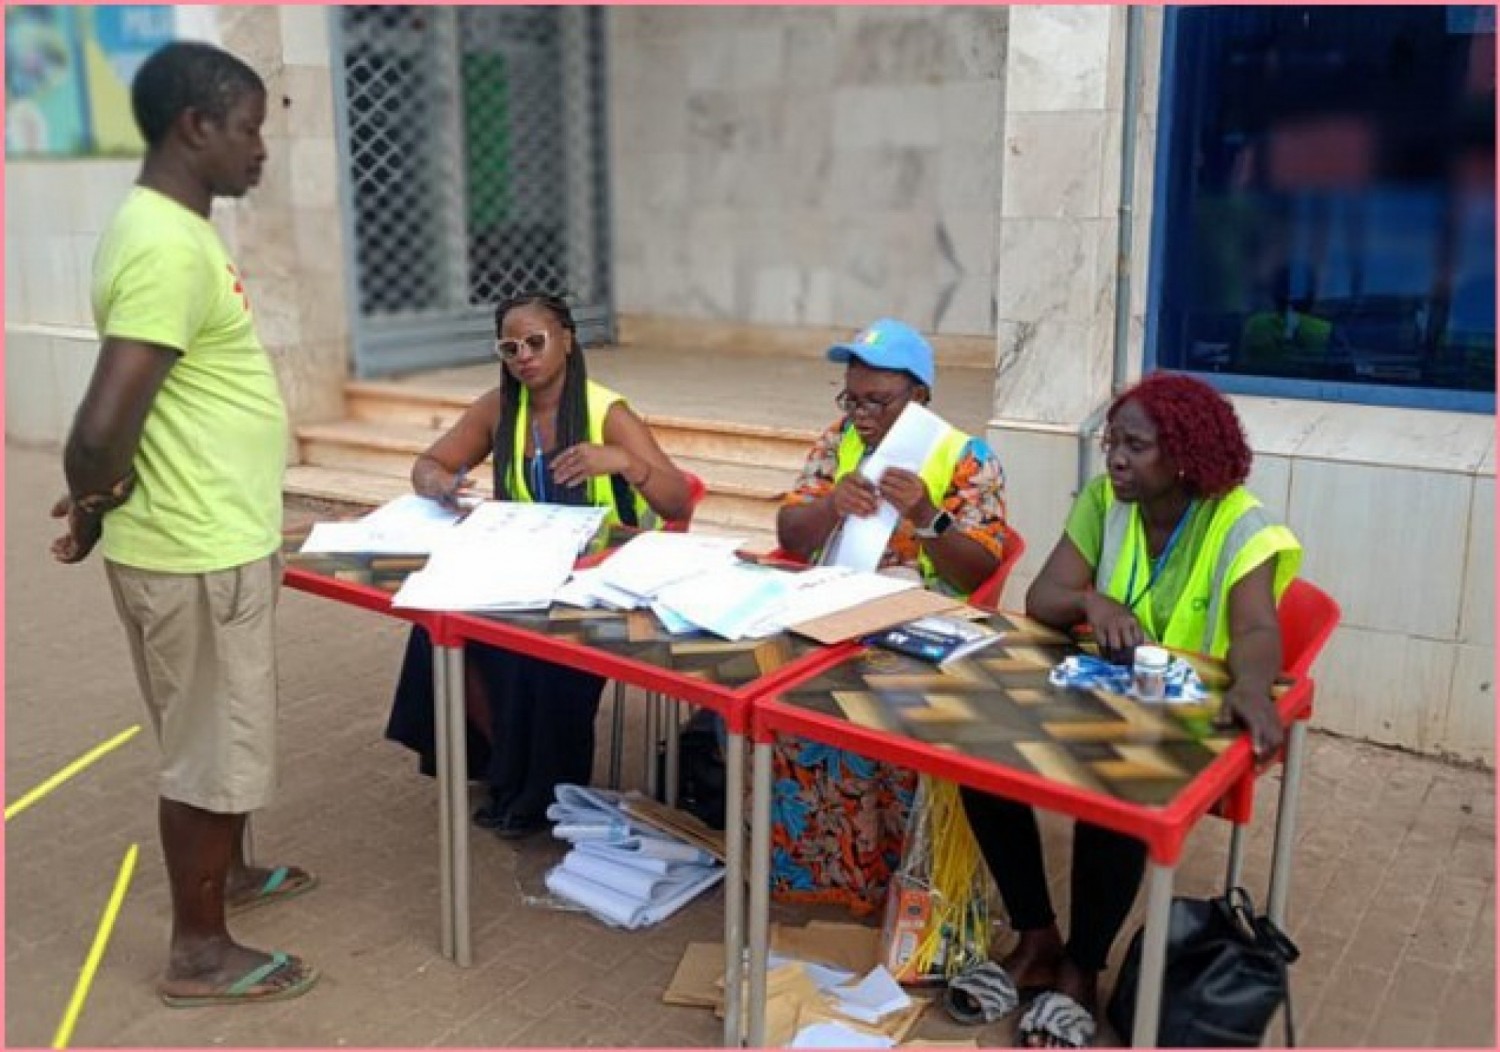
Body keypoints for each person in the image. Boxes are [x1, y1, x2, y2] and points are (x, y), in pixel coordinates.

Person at [51, 42, 318, 1006]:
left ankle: (233, 872)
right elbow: (98, 430)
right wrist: (89, 510)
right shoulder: (165, 244)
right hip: (196, 548)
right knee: (209, 748)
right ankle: (199, 950)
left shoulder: (172, 229)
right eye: (250, 128)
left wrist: (101, 499)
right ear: (195, 127)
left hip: (209, 538)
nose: (261, 150)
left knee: (217, 732)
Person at [959, 372, 1301, 1048]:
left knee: (1108, 797)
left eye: (1134, 446)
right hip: (1105, 696)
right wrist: (1093, 603)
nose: (1115, 458)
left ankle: (1082, 969)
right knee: (980, 759)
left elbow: (1260, 631)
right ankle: (1037, 936)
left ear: (1182, 454)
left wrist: (1252, 687)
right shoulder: (1104, 499)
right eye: (1112, 442)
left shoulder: (1240, 522)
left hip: (1188, 719)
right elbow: (1045, 598)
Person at [385, 292, 692, 838]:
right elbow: (428, 463)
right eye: (510, 347)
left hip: (599, 577)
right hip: (526, 564)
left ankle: (535, 788)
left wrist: (624, 461)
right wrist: (441, 484)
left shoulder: (606, 412)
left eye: (535, 342)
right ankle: (502, 762)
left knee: (543, 654)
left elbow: (676, 501)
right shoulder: (500, 408)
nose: (523, 356)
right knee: (436, 626)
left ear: (567, 342)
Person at [770, 318, 1009, 913]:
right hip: (835, 609)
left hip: (921, 624)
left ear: (919, 396)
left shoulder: (965, 456)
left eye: (877, 401)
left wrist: (929, 516)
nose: (861, 415)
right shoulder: (837, 442)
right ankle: (817, 884)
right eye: (851, 399)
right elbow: (790, 537)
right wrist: (831, 505)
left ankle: (901, 884)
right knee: (784, 701)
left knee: (883, 715)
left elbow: (980, 573)